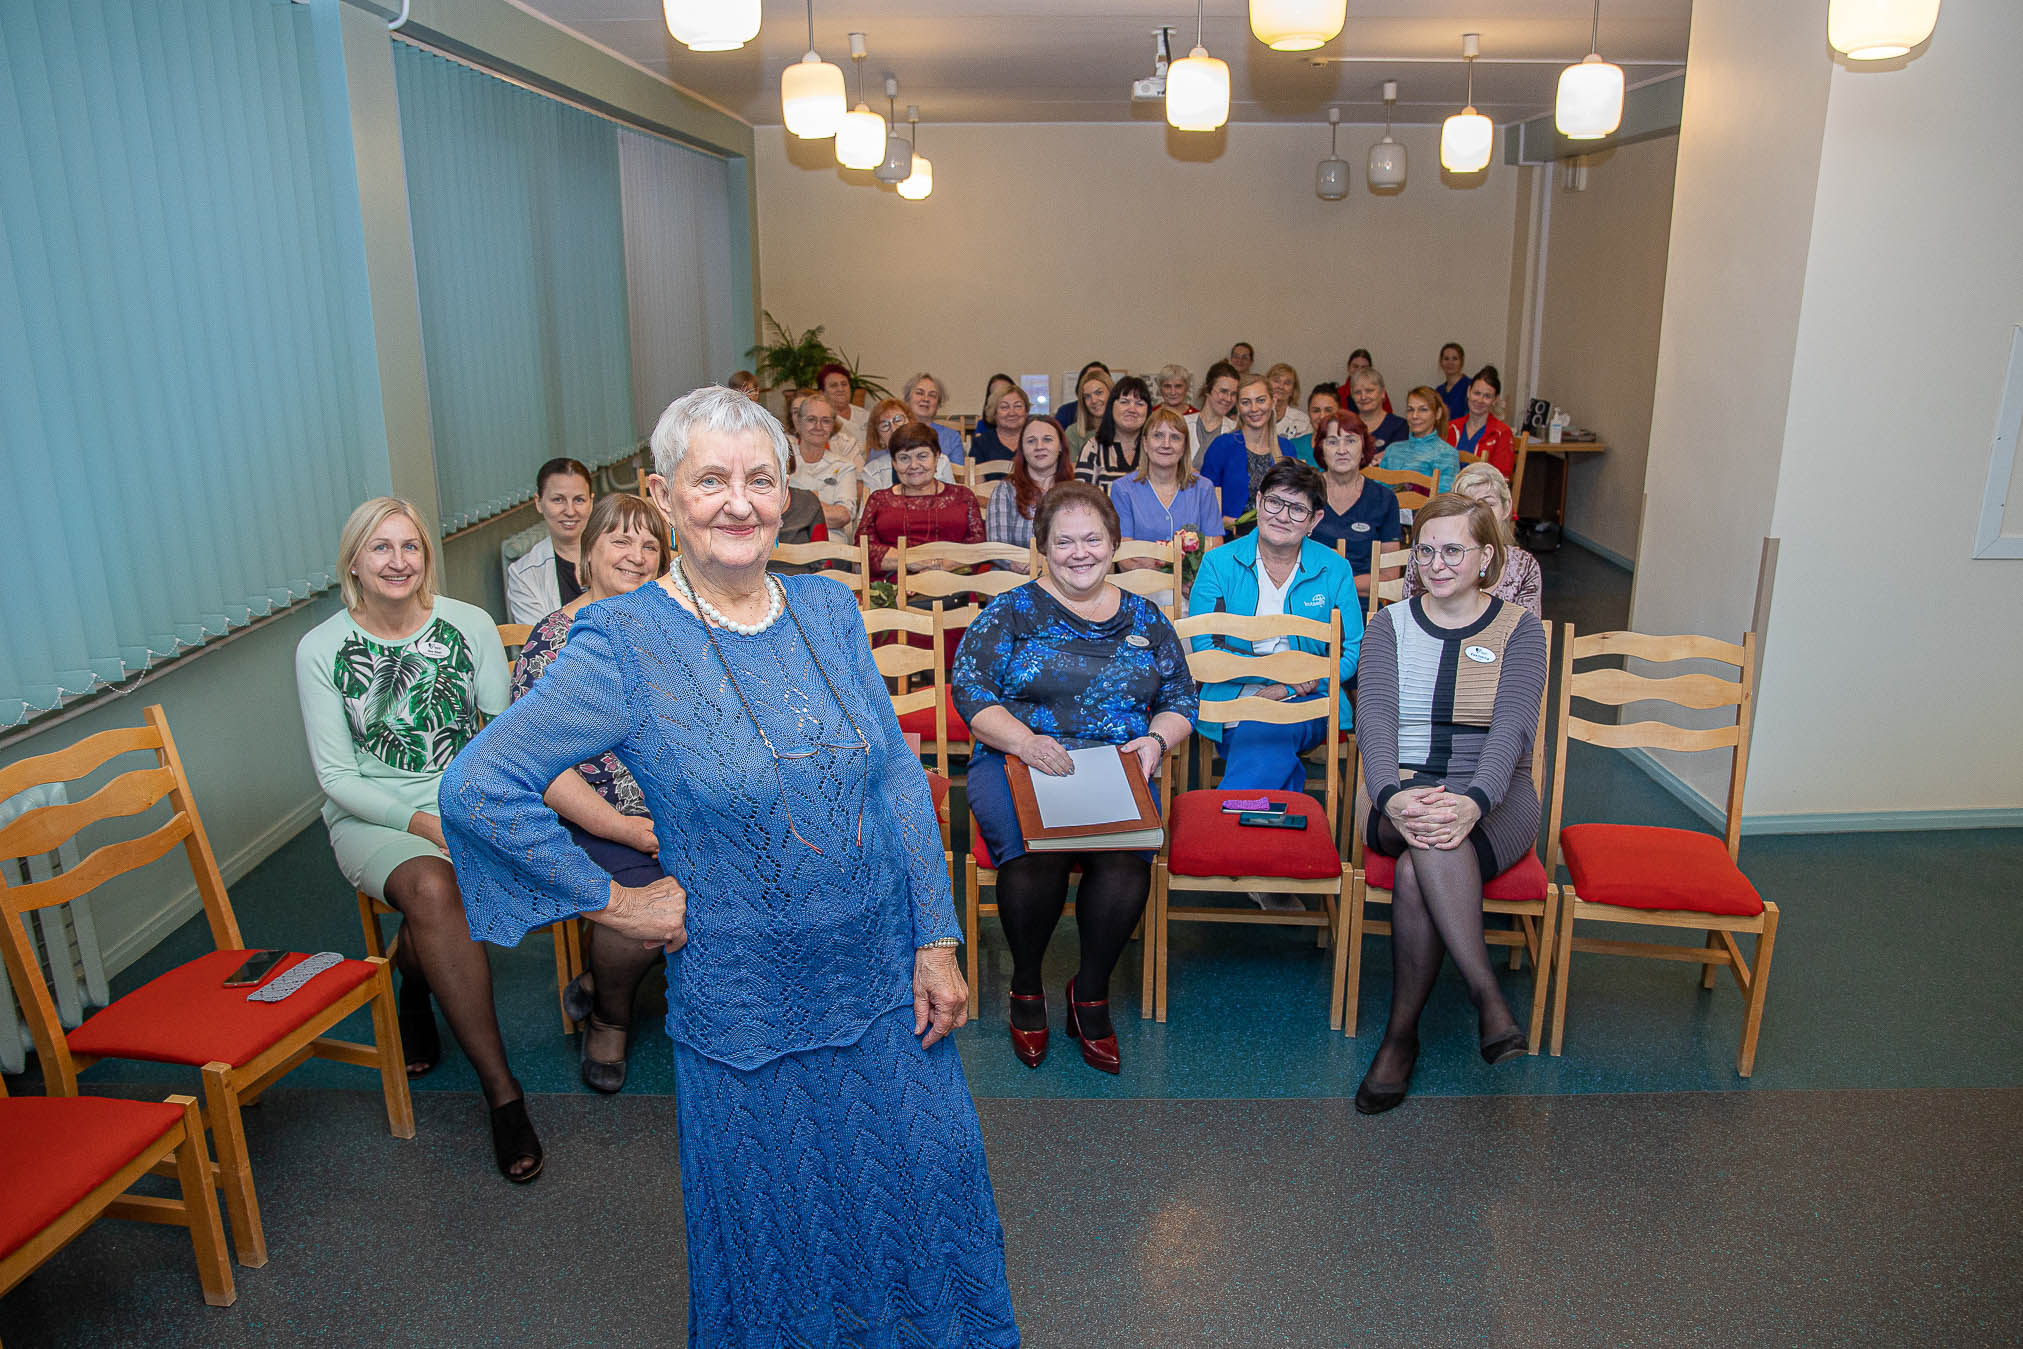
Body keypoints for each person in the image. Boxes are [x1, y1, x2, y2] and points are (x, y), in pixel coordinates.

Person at [439, 386, 1020, 1342]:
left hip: (884, 985)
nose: (738, 502)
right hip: (751, 1005)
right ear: (663, 496)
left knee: (925, 1192)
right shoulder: (621, 642)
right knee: (782, 1235)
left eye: (759, 479)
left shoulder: (829, 609)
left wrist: (938, 939)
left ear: (785, 490)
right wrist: (613, 904)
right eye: (711, 480)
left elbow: (895, 785)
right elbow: (480, 786)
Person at [295, 498, 540, 1182]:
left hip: (465, 797)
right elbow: (337, 775)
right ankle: (504, 1093)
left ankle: (412, 972)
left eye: (410, 546)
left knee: (443, 899)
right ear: (354, 562)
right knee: (434, 885)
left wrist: (468, 809)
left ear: (426, 557)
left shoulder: (468, 625)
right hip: (372, 818)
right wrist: (424, 823)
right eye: (380, 548)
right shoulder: (320, 648)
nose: (398, 561)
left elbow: (499, 733)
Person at [953, 482, 1197, 1074]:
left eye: (1093, 538)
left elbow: (1181, 698)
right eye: (1064, 541)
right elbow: (969, 690)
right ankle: (1028, 987)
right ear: (1043, 548)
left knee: (1123, 860)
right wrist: (1025, 741)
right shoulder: (1010, 611)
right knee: (1037, 855)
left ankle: (1089, 993)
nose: (1079, 552)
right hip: (1021, 759)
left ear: (1114, 544)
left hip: (1118, 766)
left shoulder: (1146, 616)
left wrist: (1156, 741)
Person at [1352, 491, 1548, 1114]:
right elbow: (1375, 723)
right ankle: (1487, 997)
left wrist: (1473, 802)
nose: (1437, 563)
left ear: (1486, 555)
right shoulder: (1387, 625)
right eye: (1426, 549)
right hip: (1398, 790)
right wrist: (1394, 795)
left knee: (1416, 872)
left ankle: (1399, 1039)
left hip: (1498, 796)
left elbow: (1514, 727)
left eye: (1454, 549)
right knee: (1424, 840)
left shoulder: (1520, 630)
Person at [509, 493, 673, 1093]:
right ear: (589, 552)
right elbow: (542, 768)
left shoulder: (669, 629)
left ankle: (595, 984)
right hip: (590, 816)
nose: (636, 555)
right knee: (645, 908)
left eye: (650, 544)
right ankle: (610, 1016)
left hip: (676, 808)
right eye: (620, 541)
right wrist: (624, 827)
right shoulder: (557, 641)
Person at [1186, 461, 1363, 912]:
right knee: (1271, 741)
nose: (1282, 516)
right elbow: (1203, 646)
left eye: (1297, 509)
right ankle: (1276, 858)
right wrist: (1266, 681)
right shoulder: (1219, 562)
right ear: (1258, 503)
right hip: (1233, 689)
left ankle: (1222, 836)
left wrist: (1289, 686)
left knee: (1268, 728)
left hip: (1310, 696)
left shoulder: (1334, 568)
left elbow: (1350, 651)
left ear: (1316, 519)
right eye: (1274, 502)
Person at [1404, 461, 1541, 618]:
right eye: (1466, 506)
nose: (1480, 515)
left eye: (1488, 504)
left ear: (1506, 508)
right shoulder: (1426, 559)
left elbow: (1527, 632)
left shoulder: (1524, 566)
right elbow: (1412, 620)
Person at [857, 421, 987, 575]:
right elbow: (863, 548)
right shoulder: (879, 500)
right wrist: (908, 561)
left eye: (922, 456)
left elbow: (977, 545)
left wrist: (939, 567)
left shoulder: (962, 496)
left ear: (937, 457)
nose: (914, 465)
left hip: (955, 583)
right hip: (894, 587)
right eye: (904, 458)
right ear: (894, 463)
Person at [1308, 412, 1404, 595]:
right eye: (1333, 441)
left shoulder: (1385, 500)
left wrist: (1340, 584)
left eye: (1350, 440)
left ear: (1364, 447)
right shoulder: (1305, 494)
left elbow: (1390, 575)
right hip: (1308, 600)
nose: (1342, 450)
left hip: (1363, 604)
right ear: (1320, 448)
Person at [1109, 407, 1223, 560]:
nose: (1166, 444)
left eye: (1175, 437)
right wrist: (1171, 573)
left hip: (1195, 582)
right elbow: (1126, 559)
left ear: (1184, 446)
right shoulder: (1123, 489)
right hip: (1141, 582)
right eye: (1158, 436)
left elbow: (1214, 549)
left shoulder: (1203, 488)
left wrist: (1186, 580)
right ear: (1144, 443)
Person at [1200, 373, 1298, 531]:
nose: (1254, 409)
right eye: (1246, 402)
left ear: (1273, 401)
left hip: (1278, 540)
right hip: (1231, 539)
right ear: (1238, 406)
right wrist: (1224, 521)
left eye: (1261, 400)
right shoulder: (1223, 446)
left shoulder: (1287, 448)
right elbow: (1203, 499)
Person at [505, 457, 593, 625]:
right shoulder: (524, 574)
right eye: (558, 500)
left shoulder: (618, 555)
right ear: (539, 503)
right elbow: (539, 642)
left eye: (579, 500)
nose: (570, 511)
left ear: (591, 502)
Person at [986, 414, 1065, 563]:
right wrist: (1017, 562)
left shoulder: (1076, 492)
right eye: (1031, 441)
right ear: (1022, 448)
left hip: (1066, 578)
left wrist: (1045, 563)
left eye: (1047, 439)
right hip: (1015, 578)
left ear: (1060, 446)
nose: (1039, 446)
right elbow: (996, 546)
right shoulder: (1005, 490)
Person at [787, 393, 862, 539]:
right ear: (798, 423)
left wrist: (796, 504)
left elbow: (842, 516)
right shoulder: (781, 461)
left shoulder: (844, 467)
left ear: (832, 426)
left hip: (830, 544)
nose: (818, 426)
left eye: (826, 421)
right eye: (811, 420)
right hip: (787, 539)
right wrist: (819, 505)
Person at [862, 398, 956, 493]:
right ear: (879, 438)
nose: (894, 428)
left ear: (911, 422)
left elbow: (953, 500)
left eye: (898, 419)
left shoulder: (940, 461)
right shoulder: (872, 471)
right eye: (884, 425)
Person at [1074, 374, 1152, 489]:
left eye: (1139, 404)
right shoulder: (1093, 448)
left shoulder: (1156, 448)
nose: (1132, 409)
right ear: (1111, 407)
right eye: (1124, 402)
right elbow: (1081, 498)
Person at [1381, 386, 1463, 494]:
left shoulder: (1447, 454)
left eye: (1423, 409)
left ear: (1438, 413)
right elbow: (1378, 490)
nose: (1415, 416)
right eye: (1410, 409)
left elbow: (1443, 501)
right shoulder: (1392, 449)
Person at [1443, 365, 1517, 479]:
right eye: (1476, 393)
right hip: (1450, 493)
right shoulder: (1451, 428)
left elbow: (1501, 480)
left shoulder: (1502, 433)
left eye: (1487, 396)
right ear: (1468, 392)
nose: (1480, 400)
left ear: (1495, 399)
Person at [902, 370, 966, 465]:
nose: (925, 399)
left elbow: (957, 477)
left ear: (938, 404)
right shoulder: (895, 432)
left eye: (932, 395)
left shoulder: (951, 437)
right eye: (919, 393)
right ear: (907, 399)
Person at [1185, 361, 1241, 468]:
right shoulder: (1182, 423)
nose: (1228, 399)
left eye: (1233, 394)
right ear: (1207, 390)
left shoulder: (1236, 431)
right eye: (1223, 391)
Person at [1347, 368, 1409, 461]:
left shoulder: (1399, 426)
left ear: (1383, 393)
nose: (1363, 397)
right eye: (1357, 392)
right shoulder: (1345, 426)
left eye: (1369, 391)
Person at [815, 360, 868, 451]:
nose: (840, 389)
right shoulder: (821, 423)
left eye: (844, 384)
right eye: (833, 385)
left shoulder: (865, 415)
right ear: (822, 393)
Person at [971, 380, 1027, 464]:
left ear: (1026, 412)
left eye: (1018, 406)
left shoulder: (1037, 441)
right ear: (994, 413)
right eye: (1004, 407)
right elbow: (975, 476)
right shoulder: (981, 443)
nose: (1012, 412)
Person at [1064, 367, 1112, 461]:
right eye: (1087, 396)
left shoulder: (1124, 430)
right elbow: (1071, 471)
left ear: (1111, 393)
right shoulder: (1073, 433)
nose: (1093, 400)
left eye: (1099, 393)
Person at [1265, 362, 1310, 440]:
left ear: (1293, 390)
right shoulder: (1254, 414)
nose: (1281, 386)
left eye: (1287, 383)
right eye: (1276, 381)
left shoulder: (1302, 420)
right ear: (1266, 384)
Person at [1434, 342, 1471, 423]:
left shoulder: (1471, 387)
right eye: (1446, 359)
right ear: (1441, 362)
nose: (1450, 363)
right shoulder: (1438, 391)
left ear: (1462, 361)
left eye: (1455, 358)